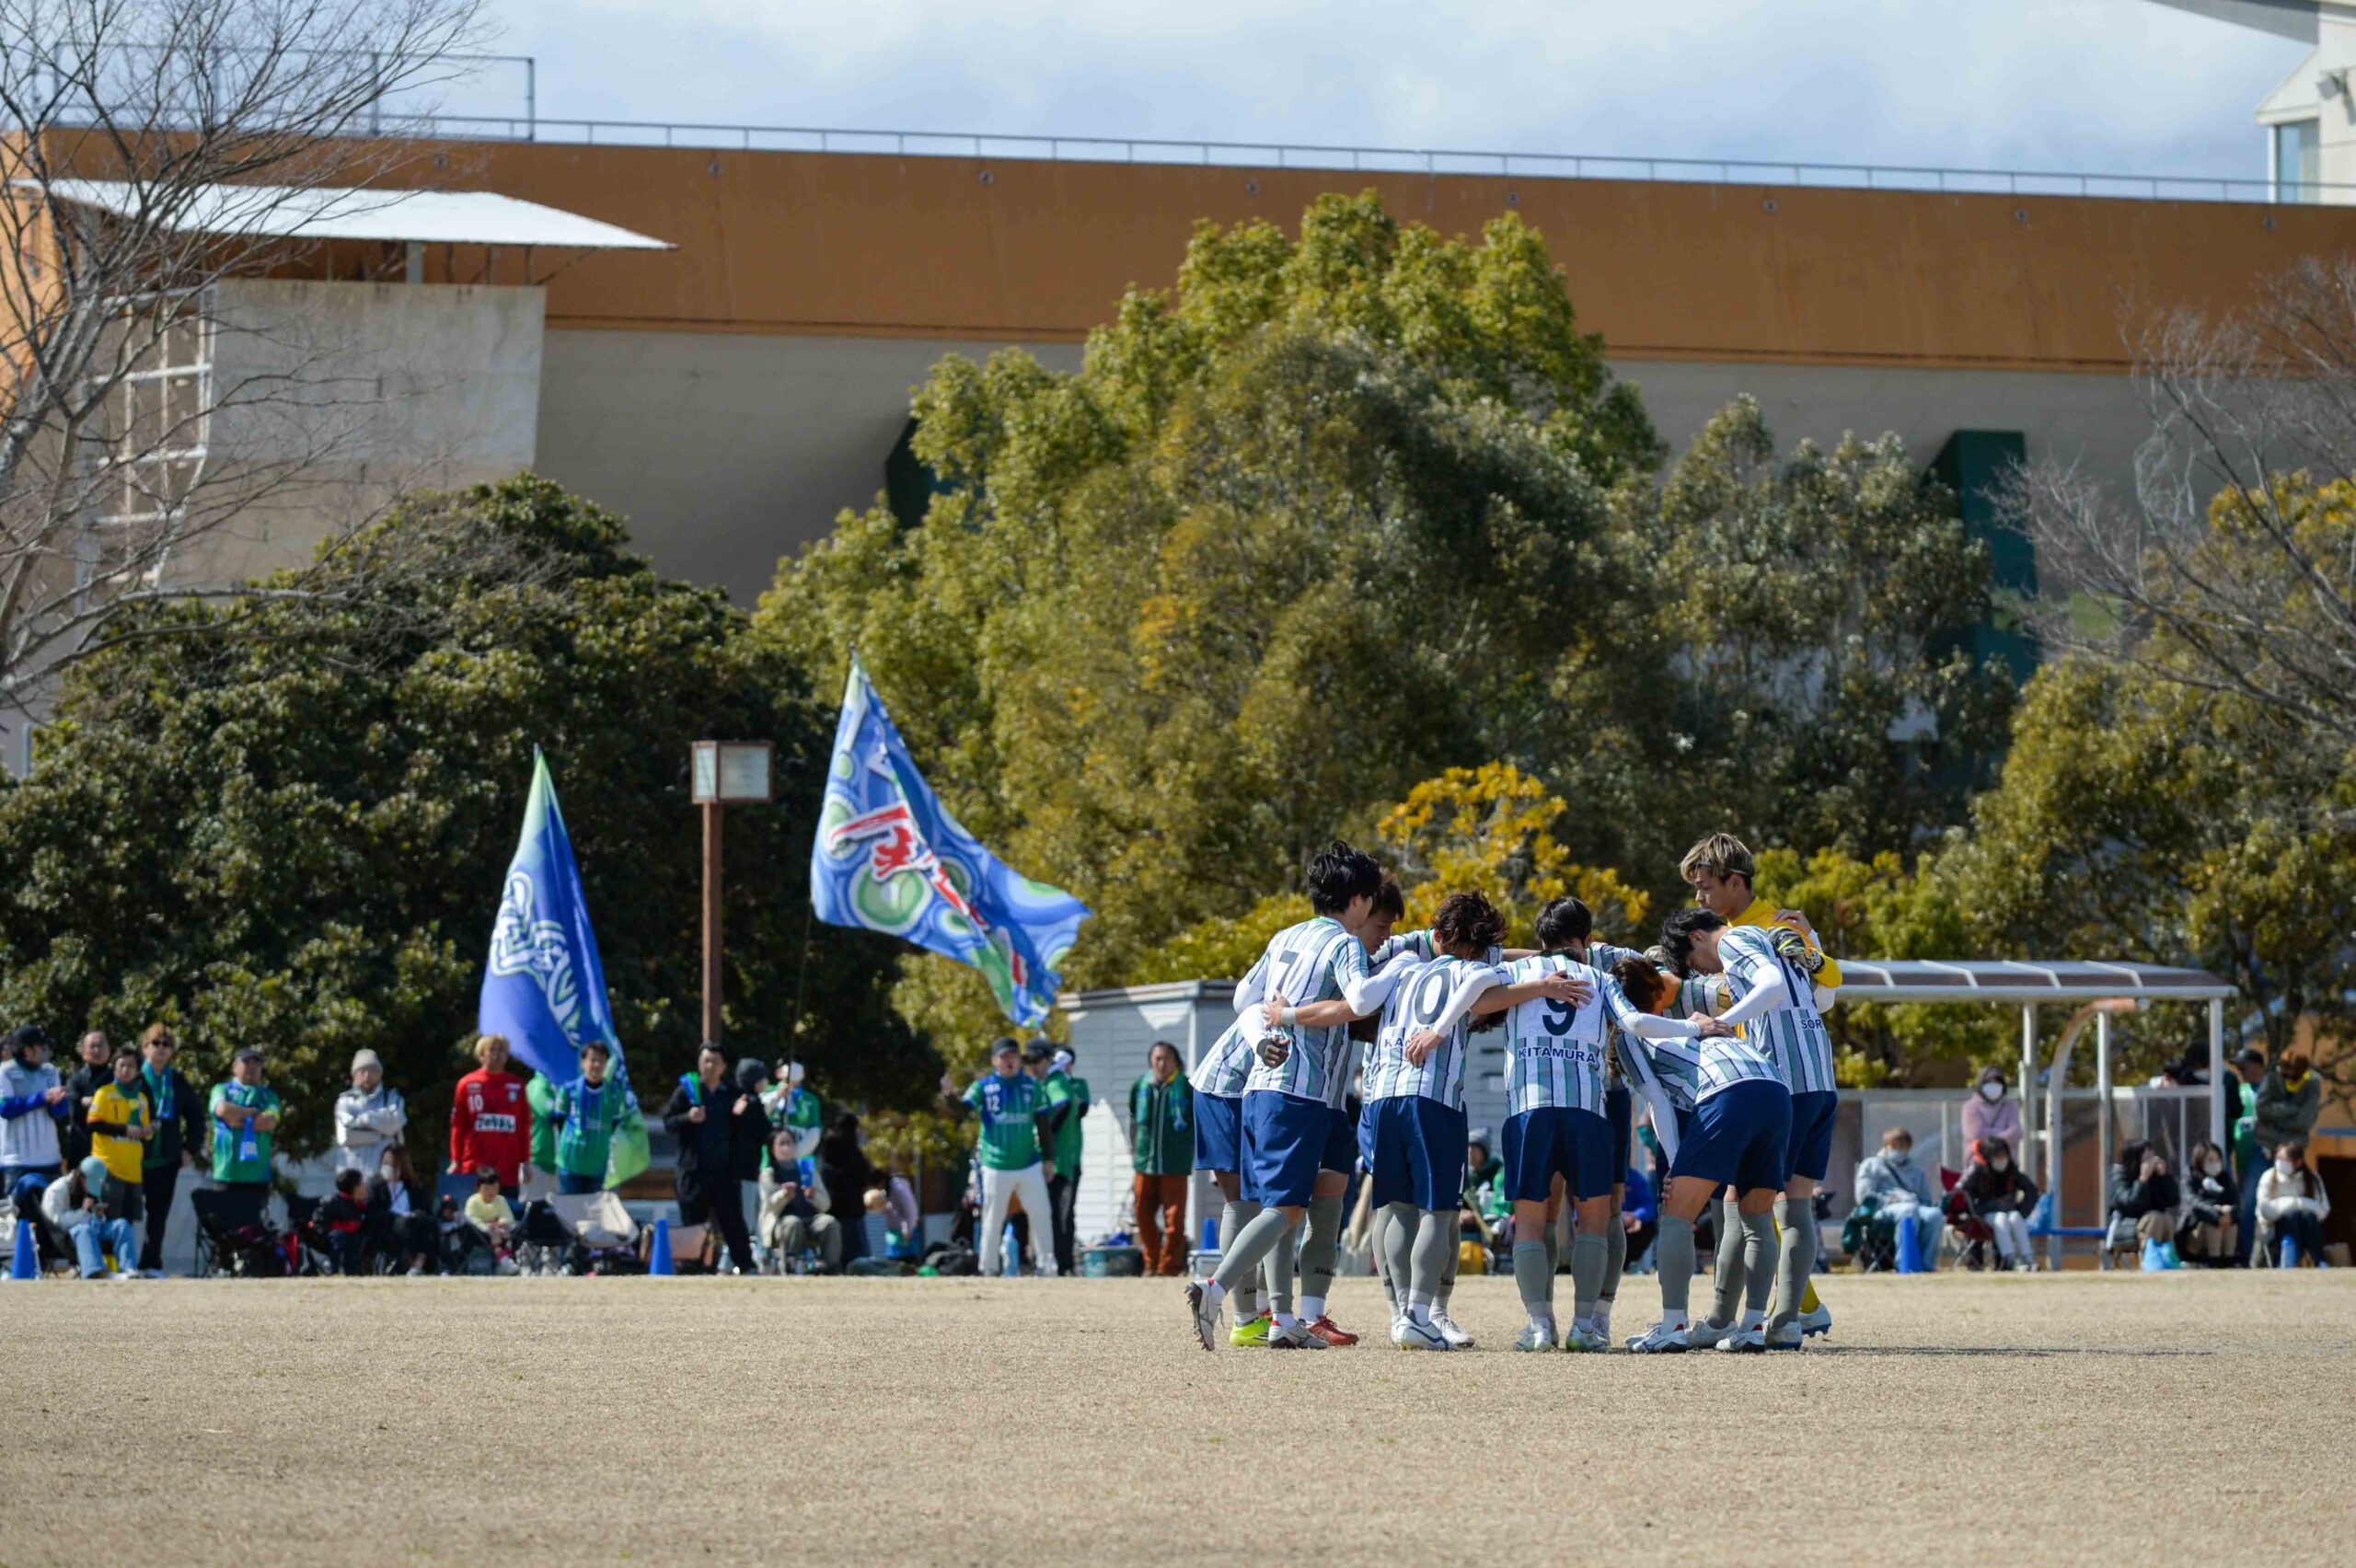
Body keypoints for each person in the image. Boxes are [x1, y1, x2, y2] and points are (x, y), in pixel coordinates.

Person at [1187, 840, 1411, 1350]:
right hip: (1298, 1091)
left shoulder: (1285, 935)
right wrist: (1397, 972)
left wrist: (1275, 1014)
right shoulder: (1344, 943)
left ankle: (1282, 1319)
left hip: (1264, 1090)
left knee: (1277, 1205)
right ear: (1358, 900)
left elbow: (1244, 998)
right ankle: (1215, 1289)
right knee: (1285, 1210)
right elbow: (1360, 999)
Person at [1487, 895, 1710, 1352]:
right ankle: (1586, 1325)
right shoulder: (1602, 976)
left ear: (1540, 938)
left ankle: (1539, 1326)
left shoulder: (1515, 973)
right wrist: (1694, 1027)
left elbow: (1479, 1000)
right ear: (1586, 939)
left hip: (1528, 1109)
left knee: (1530, 1222)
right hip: (1588, 1109)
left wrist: (1533, 987)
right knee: (1594, 1219)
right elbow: (1634, 1021)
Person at [941, 1037, 1057, 1278]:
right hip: (995, 1163)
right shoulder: (983, 1086)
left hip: (1028, 1163)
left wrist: (1049, 1159)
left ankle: (1047, 1265)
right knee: (992, 1218)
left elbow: (1043, 1124)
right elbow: (963, 1110)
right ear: (995, 1060)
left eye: (1013, 1056)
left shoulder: (1033, 1087)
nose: (1009, 1062)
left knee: (1041, 1213)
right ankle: (989, 1267)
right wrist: (949, 1095)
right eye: (1004, 1057)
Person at [662, 1043, 765, 1274]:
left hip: (725, 1170)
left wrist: (741, 1114)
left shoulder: (733, 1094)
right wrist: (687, 1117)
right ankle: (694, 1266)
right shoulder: (687, 1091)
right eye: (705, 1061)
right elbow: (668, 1122)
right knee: (694, 1222)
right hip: (693, 1170)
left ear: (724, 1066)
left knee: (733, 1221)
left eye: (715, 1062)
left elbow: (757, 1129)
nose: (709, 1066)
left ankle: (745, 1265)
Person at [133, 1026, 204, 1277]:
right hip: (133, 1156)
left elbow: (196, 1116)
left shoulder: (177, 1080)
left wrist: (190, 1148)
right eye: (156, 1043)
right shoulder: (133, 1076)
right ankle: (123, 1262)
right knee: (125, 1212)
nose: (161, 1049)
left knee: (158, 1215)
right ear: (145, 1048)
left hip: (166, 1158)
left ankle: (151, 1263)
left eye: (167, 1044)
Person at [1128, 1040, 1194, 1278]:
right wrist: (1133, 1149)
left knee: (1174, 1219)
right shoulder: (1141, 1085)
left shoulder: (1186, 1088)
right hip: (1144, 1162)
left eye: (1166, 1058)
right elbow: (1133, 1119)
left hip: (1174, 1163)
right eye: (1157, 1058)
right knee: (1142, 1214)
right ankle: (1151, 1261)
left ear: (1176, 1061)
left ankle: (1170, 1267)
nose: (1161, 1063)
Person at [448, 1034, 533, 1202]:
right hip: (475, 1166)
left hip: (508, 1168)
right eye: (491, 1050)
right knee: (475, 1213)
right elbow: (458, 1126)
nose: (497, 1054)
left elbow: (524, 1127)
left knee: (506, 1213)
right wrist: (455, 1160)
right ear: (481, 1055)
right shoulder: (467, 1084)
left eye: (501, 1050)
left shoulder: (517, 1085)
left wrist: (525, 1162)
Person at [1852, 1125, 1943, 1272]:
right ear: (1885, 1146)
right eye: (1894, 1146)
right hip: (1881, 1212)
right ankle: (1905, 1263)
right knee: (1909, 1210)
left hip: (1914, 1207)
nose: (1898, 1150)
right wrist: (1890, 1200)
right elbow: (1863, 1195)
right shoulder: (1871, 1165)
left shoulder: (1917, 1172)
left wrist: (1913, 1200)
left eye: (1902, 1147)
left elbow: (1926, 1200)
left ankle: (1926, 1264)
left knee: (1935, 1215)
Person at [1035, 1042, 1091, 1277]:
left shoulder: (1076, 1085)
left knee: (1065, 1213)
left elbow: (1079, 1108)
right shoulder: (1044, 1084)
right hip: (1048, 1160)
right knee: (1046, 1213)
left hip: (1069, 1159)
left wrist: (1045, 1134)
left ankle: (1065, 1263)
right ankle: (1048, 1261)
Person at [549, 1042, 633, 1194]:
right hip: (570, 1164)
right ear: (583, 1063)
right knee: (570, 1207)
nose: (596, 1065)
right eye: (593, 1060)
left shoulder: (614, 1093)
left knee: (595, 1208)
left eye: (601, 1061)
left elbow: (615, 1124)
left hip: (598, 1167)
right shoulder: (568, 1090)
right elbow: (558, 1121)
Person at [84, 1047, 152, 1227]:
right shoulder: (104, 1093)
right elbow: (92, 1124)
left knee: (127, 1225)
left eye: (130, 1066)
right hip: (108, 1169)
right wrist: (123, 1130)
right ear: (114, 1068)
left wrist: (149, 1130)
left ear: (137, 1071)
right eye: (121, 1065)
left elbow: (144, 1131)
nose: (125, 1070)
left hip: (133, 1170)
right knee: (108, 1223)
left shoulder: (142, 1098)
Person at [757, 1129, 842, 1272]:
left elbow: (826, 1205)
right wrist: (783, 1196)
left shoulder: (807, 1170)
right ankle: (790, 1266)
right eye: (781, 1144)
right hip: (781, 1222)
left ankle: (830, 1267)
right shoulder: (768, 1174)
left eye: (789, 1143)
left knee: (829, 1222)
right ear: (772, 1149)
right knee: (792, 1223)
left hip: (810, 1218)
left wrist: (814, 1195)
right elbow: (769, 1206)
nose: (786, 1147)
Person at [1, 1025, 69, 1194]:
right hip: (17, 1161)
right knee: (17, 1210)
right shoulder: (5, 1072)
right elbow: (5, 1108)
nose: (45, 1051)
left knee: (52, 1209)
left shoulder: (50, 1071)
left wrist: (59, 1102)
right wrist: (41, 1097)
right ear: (27, 1050)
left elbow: (59, 1114)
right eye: (41, 1046)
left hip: (51, 1159)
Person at [43, 1156, 136, 1279]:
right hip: (68, 1236)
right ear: (82, 1177)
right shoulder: (57, 1191)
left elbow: (97, 1219)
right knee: (84, 1229)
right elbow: (58, 1222)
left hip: (94, 1228)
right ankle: (97, 1273)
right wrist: (82, 1212)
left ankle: (128, 1269)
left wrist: (100, 1216)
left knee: (121, 1224)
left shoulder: (91, 1188)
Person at [1956, 1135, 2039, 1271]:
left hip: (2008, 1211)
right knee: (2001, 1219)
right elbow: (1961, 1191)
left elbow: (2031, 1190)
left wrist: (2022, 1210)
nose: (2002, 1160)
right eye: (1998, 1156)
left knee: (2016, 1217)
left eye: (2004, 1156)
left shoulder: (2011, 1170)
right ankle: (2009, 1261)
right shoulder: (1977, 1170)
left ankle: (2028, 1259)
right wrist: (1975, 1212)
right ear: (1989, 1157)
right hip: (1984, 1214)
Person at [209, 1047, 282, 1193]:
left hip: (258, 1176)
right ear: (235, 1067)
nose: (252, 1067)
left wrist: (236, 1120)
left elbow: (268, 1122)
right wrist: (253, 1113)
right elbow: (222, 1109)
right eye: (247, 1062)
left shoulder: (269, 1096)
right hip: (227, 1173)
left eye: (257, 1064)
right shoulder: (222, 1089)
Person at [814, 1111, 880, 1264]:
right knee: (858, 1255)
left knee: (837, 1250)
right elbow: (865, 1175)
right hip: (852, 1208)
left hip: (832, 1207)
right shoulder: (853, 1151)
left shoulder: (827, 1149)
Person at [2256, 1140, 2332, 1267]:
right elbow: (2264, 1209)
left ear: (2298, 1162)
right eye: (2278, 1158)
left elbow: (2323, 1210)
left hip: (2305, 1228)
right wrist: (2295, 1203)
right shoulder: (2269, 1176)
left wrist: (2299, 1204)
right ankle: (2287, 1257)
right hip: (2274, 1230)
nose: (2280, 1162)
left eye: (2284, 1159)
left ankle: (2319, 1260)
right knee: (2291, 1217)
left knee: (2308, 1216)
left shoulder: (2313, 1178)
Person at [331, 1049, 408, 1176]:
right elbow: (345, 1136)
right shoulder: (344, 1101)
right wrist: (380, 1135)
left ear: (380, 1073)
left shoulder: (391, 1098)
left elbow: (394, 1123)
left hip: (385, 1175)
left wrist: (363, 1119)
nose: (367, 1076)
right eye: (362, 1071)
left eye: (372, 1071)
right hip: (354, 1175)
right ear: (354, 1075)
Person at [368, 1145, 440, 1274]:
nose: (388, 1167)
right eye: (385, 1163)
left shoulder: (413, 1187)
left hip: (414, 1225)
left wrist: (415, 1215)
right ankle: (414, 1265)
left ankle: (421, 1265)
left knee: (428, 1224)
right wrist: (398, 1217)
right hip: (387, 1229)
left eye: (392, 1164)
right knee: (407, 1224)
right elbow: (373, 1213)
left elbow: (426, 1210)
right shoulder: (376, 1186)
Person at [2108, 1139, 2181, 1264]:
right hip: (2126, 1226)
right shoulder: (2120, 1174)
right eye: (2147, 1157)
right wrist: (2142, 1180)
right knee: (2155, 1217)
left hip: (2153, 1222)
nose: (2151, 1160)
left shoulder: (2155, 1175)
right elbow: (2130, 1204)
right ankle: (2150, 1261)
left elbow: (2173, 1200)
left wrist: (2164, 1177)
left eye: (2152, 1155)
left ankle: (2168, 1261)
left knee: (2166, 1218)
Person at [2230, 1046, 2269, 1265]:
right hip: (2242, 1157)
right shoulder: (2240, 1091)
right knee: (2246, 1207)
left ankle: (2272, 1255)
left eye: (2244, 1067)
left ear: (2258, 1066)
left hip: (2264, 1154)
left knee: (2263, 1205)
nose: (2241, 1072)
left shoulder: (2271, 1089)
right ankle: (2245, 1255)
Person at [2253, 1054, 2322, 1170]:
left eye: (2294, 1077)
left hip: (2292, 1151)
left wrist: (2272, 1121)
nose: (2289, 1080)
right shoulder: (2271, 1078)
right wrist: (2293, 1109)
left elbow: (2304, 1122)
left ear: (2303, 1073)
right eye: (2285, 1075)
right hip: (2265, 1146)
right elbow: (2261, 1110)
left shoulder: (2312, 1084)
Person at [2181, 1137, 2239, 1266]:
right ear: (2200, 1160)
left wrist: (2230, 1211)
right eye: (2210, 1160)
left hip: (2225, 1226)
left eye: (2217, 1160)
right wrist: (2215, 1211)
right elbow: (2193, 1203)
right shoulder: (2191, 1179)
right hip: (2196, 1232)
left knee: (2231, 1224)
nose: (2215, 1163)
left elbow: (2237, 1203)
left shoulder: (2225, 1179)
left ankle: (2229, 1263)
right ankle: (2214, 1263)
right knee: (2214, 1224)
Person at [61, 1030, 111, 1170]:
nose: (97, 1050)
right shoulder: (75, 1079)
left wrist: (88, 1101)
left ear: (109, 1049)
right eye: (92, 1046)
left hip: (111, 1149)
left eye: (100, 1045)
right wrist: (104, 1101)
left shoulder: (117, 1078)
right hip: (81, 1148)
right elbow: (74, 1109)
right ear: (84, 1052)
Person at [463, 1167, 521, 1274]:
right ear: (479, 1188)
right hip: (480, 1234)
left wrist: (500, 1223)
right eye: (486, 1189)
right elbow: (471, 1218)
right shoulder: (473, 1201)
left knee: (509, 1231)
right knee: (494, 1233)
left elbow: (507, 1217)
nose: (491, 1192)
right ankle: (505, 1262)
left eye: (494, 1188)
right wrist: (486, 1226)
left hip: (501, 1232)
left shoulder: (501, 1200)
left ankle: (505, 1261)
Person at [318, 1168, 371, 1275]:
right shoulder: (334, 1202)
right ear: (354, 1187)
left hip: (354, 1238)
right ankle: (332, 1269)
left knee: (355, 1240)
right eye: (361, 1183)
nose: (365, 1185)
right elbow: (321, 1219)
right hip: (335, 1237)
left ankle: (352, 1273)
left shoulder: (361, 1205)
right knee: (340, 1236)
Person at [1960, 1065, 2023, 1153]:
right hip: (1977, 1159)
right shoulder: (1970, 1106)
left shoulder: (2009, 1106)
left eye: (1997, 1082)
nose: (1993, 1085)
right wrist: (2004, 1133)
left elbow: (2016, 1133)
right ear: (1981, 1084)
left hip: (2005, 1159)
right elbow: (1976, 1134)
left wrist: (1989, 1136)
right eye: (1988, 1082)